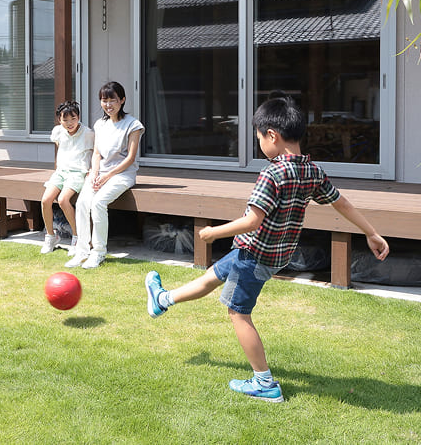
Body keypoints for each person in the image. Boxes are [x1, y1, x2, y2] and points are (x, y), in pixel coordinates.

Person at [144, 95, 389, 402]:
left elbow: (251, 220)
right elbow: (342, 203)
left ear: (272, 135)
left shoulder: (272, 173)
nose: (259, 144)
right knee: (211, 277)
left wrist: (211, 232)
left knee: (238, 313)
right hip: (274, 254)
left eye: (259, 137)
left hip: (255, 255)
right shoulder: (311, 170)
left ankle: (264, 383)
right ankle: (162, 300)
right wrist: (372, 232)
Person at [66, 81, 145, 270]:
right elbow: (96, 153)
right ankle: (82, 251)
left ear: (122, 100)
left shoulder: (133, 125)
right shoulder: (99, 124)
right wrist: (94, 173)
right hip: (100, 173)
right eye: (104, 100)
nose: (108, 105)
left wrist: (107, 175)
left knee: (98, 202)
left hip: (122, 174)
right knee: (83, 203)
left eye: (112, 100)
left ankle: (99, 252)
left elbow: (130, 158)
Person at [39, 100, 93, 254]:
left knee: (63, 200)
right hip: (61, 172)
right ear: (59, 119)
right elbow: (60, 147)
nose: (70, 123)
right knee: (45, 200)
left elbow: (95, 152)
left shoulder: (88, 133)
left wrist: (91, 170)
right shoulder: (58, 131)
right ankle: (50, 236)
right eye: (65, 119)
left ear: (79, 117)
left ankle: (78, 237)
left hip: (77, 172)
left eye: (73, 118)